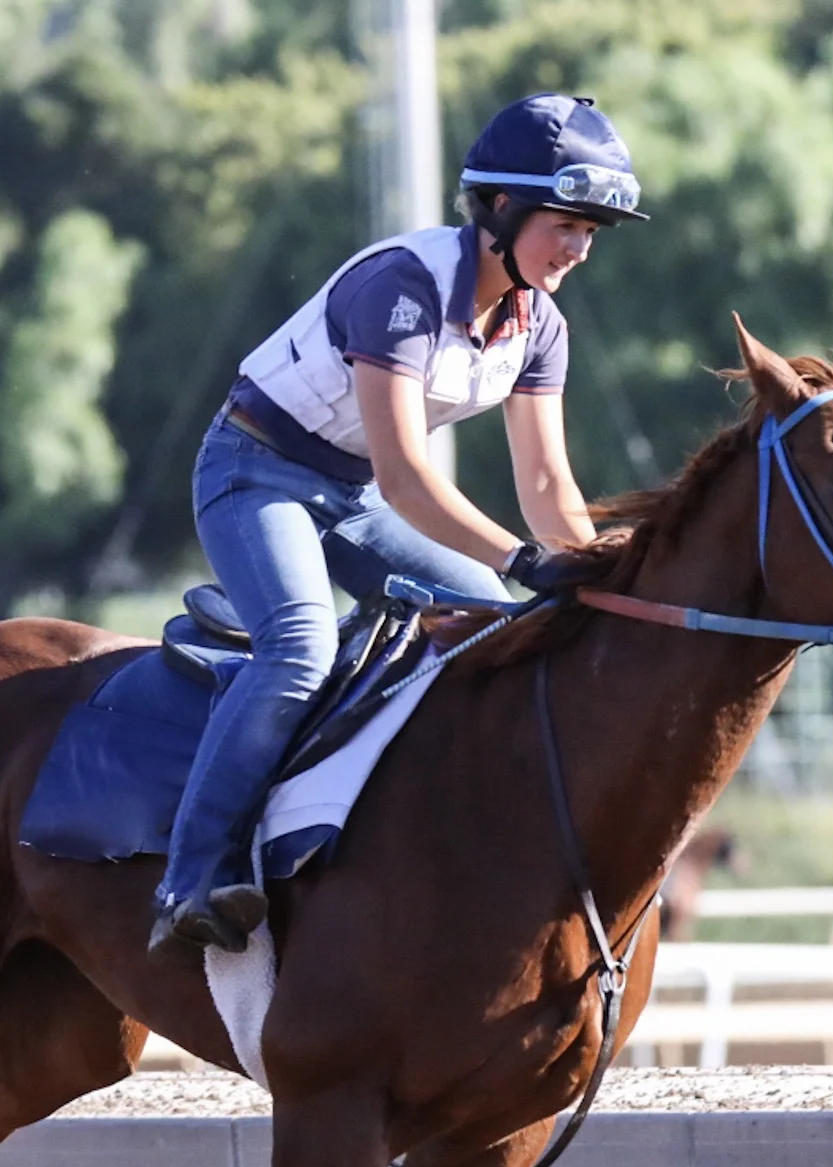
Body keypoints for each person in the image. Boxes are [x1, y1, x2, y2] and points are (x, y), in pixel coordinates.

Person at [150, 92, 648, 960]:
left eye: (593, 232)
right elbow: (409, 476)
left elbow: (543, 479)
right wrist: (523, 556)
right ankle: (189, 876)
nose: (579, 247)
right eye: (567, 222)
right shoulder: (403, 289)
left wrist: (598, 573)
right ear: (501, 206)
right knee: (301, 646)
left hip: (351, 496)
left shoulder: (541, 328)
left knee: (501, 626)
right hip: (252, 472)